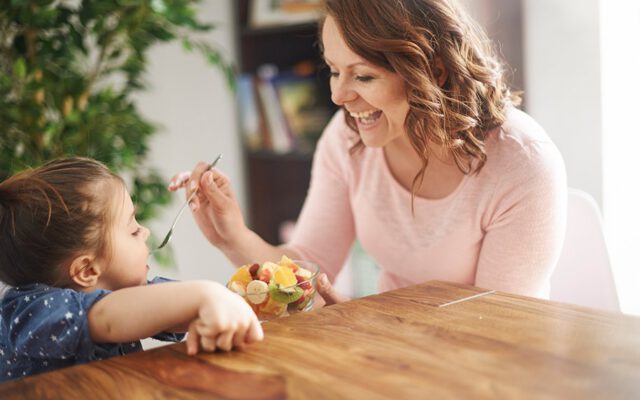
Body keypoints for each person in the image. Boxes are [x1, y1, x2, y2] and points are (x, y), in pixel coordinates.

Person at [170, 0, 566, 303]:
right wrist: (231, 235)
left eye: (363, 76)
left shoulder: (521, 164)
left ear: (434, 72)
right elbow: (308, 267)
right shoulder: (347, 140)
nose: (338, 95)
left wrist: (372, 329)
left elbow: (498, 328)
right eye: (333, 70)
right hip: (391, 353)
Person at [0, 157, 263, 382]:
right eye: (134, 229)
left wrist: (235, 301)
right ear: (87, 270)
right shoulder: (28, 311)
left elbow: (172, 308)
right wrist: (206, 295)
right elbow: (107, 316)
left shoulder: (125, 294)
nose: (146, 231)